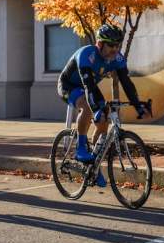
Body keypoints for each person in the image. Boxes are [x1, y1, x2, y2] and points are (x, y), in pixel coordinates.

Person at [57, 23, 151, 186]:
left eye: (118, 45)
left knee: (103, 122)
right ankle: (80, 149)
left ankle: (94, 166)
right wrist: (96, 108)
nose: (115, 49)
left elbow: (126, 83)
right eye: (111, 45)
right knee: (87, 107)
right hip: (69, 86)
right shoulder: (87, 55)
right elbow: (89, 86)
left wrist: (138, 105)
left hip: (89, 88)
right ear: (100, 44)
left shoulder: (117, 58)